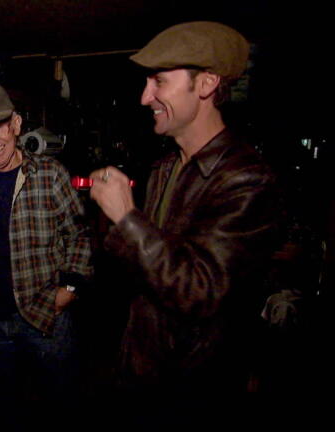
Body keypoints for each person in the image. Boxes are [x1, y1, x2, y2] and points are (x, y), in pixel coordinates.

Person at [88, 21, 281, 423]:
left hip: (190, 389)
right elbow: (149, 268)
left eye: (159, 81)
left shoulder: (246, 178)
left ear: (206, 84)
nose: (145, 97)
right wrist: (111, 227)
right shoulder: (165, 167)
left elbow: (200, 291)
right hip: (142, 368)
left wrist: (126, 216)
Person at [0, 83, 92, 428]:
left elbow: (79, 234)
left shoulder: (49, 174)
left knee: (60, 404)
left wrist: (69, 290)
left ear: (16, 124)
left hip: (44, 317)